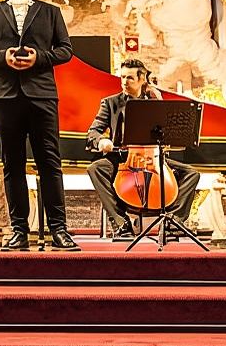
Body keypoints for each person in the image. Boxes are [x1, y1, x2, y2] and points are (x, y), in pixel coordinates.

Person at [0, 0, 78, 251]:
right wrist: (1, 57)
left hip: (42, 94)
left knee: (49, 163)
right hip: (4, 96)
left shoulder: (51, 12)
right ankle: (18, 230)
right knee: (12, 164)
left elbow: (66, 50)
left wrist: (39, 57)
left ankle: (59, 229)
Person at [86, 58, 201, 239]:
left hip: (152, 158)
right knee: (96, 168)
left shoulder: (155, 102)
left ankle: (174, 221)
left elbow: (169, 131)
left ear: (142, 79)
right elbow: (93, 131)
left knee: (191, 174)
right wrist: (101, 141)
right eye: (122, 77)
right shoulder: (110, 103)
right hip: (123, 158)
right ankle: (121, 223)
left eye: (130, 78)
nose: (124, 82)